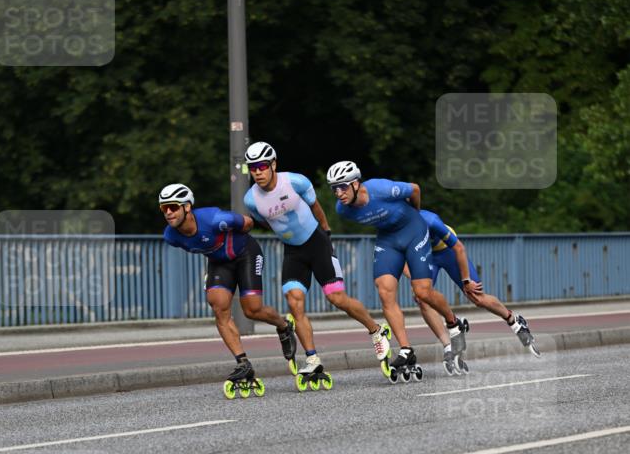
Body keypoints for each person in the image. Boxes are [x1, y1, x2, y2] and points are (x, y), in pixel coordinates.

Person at [242, 142, 390, 381]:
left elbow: (316, 208)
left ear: (273, 165)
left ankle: (376, 329)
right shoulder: (251, 199)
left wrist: (327, 234)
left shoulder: (296, 182)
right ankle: (312, 359)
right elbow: (265, 221)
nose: (257, 172)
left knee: (336, 298)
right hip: (293, 251)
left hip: (317, 243)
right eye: (252, 168)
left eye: (262, 166)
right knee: (294, 302)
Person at [326, 161, 470, 377]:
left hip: (413, 230)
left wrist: (416, 214)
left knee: (422, 292)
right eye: (334, 188)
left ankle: (453, 322)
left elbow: (415, 189)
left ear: (356, 184)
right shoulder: (343, 210)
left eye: (343, 186)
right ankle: (406, 349)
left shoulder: (380, 189)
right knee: (384, 290)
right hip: (388, 239)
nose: (339, 193)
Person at [159, 182, 296, 391]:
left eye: (173, 207)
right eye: (164, 208)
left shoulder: (215, 219)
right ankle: (243, 363)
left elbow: (248, 223)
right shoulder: (171, 236)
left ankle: (284, 326)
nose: (168, 212)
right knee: (218, 307)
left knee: (252, 310)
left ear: (187, 207)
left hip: (245, 254)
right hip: (219, 263)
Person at [409, 209, 540, 360]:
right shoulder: (398, 227)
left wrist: (466, 281)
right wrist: (416, 282)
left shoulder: (430, 220)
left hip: (448, 250)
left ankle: (514, 320)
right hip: (427, 255)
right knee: (421, 298)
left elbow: (459, 248)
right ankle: (448, 346)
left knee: (476, 296)